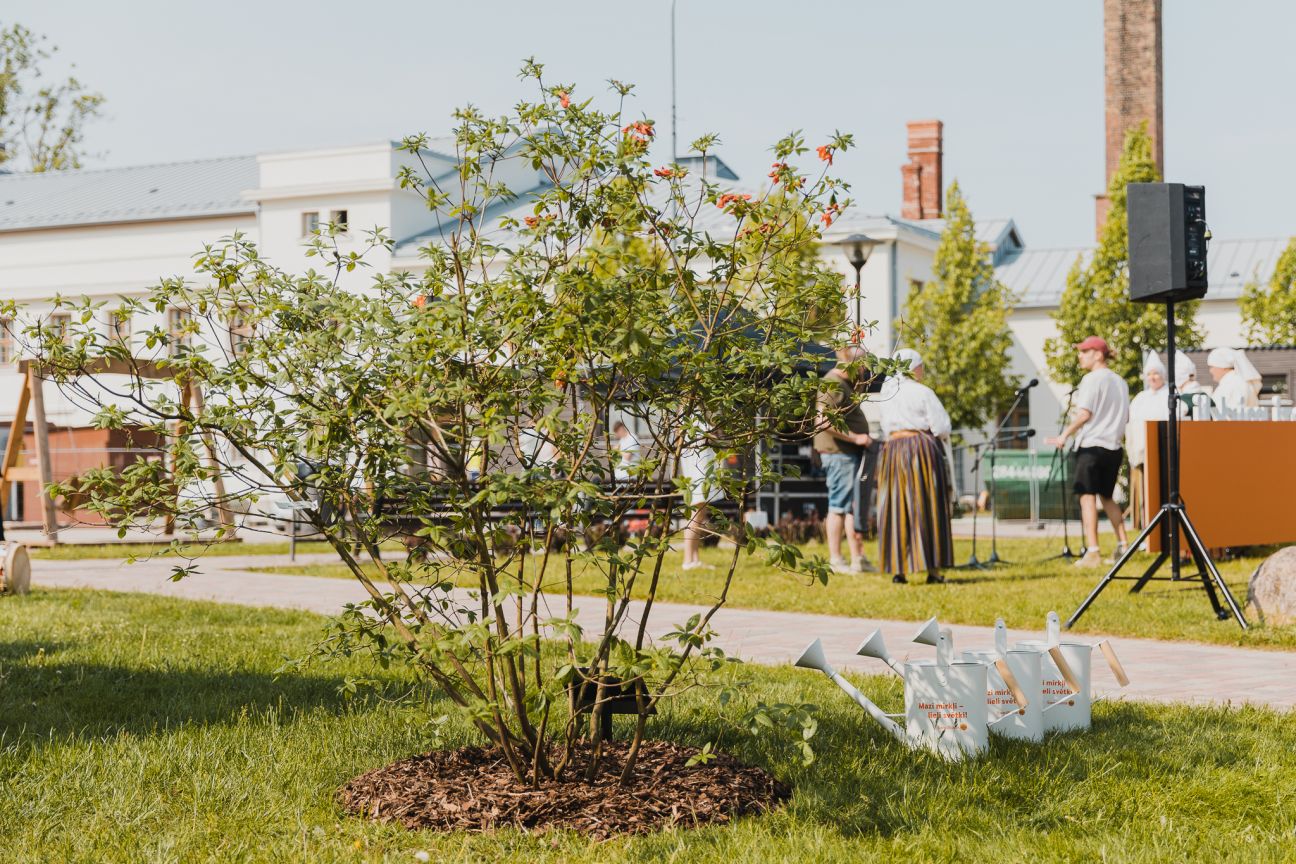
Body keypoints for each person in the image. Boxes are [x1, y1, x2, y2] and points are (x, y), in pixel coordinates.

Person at [1044, 336, 1130, 567]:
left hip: (1092, 446)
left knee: (1087, 497)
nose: (1079, 356)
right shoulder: (1121, 382)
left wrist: (1064, 435)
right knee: (1108, 497)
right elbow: (1126, 417)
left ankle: (1093, 552)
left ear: (1098, 354)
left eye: (1084, 351)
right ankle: (1124, 544)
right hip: (1114, 447)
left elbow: (1084, 414)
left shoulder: (1091, 380)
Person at [875, 348, 953, 584]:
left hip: (893, 450)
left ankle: (899, 571)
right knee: (927, 505)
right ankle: (933, 570)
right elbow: (941, 427)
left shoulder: (886, 393)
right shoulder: (922, 392)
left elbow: (883, 425)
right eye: (921, 366)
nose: (923, 370)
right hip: (920, 448)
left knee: (896, 507)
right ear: (913, 367)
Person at [812, 345, 878, 575]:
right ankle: (836, 559)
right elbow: (821, 421)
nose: (863, 372)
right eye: (862, 367)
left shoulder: (845, 384)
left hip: (848, 454)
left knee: (852, 507)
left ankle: (858, 558)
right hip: (839, 454)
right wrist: (857, 437)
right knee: (838, 506)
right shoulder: (832, 383)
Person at [1125, 350, 1169, 533]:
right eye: (1149, 374)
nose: (1153, 377)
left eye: (1156, 373)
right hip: (1142, 455)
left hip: (1162, 453)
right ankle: (1146, 529)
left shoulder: (1169, 396)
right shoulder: (1140, 399)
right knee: (1144, 494)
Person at [678, 439, 720, 571]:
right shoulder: (692, 422)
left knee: (699, 515)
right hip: (698, 473)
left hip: (700, 472)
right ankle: (688, 560)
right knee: (696, 516)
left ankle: (694, 559)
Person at [1207, 347, 1263, 412]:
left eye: (1212, 367)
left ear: (1223, 366)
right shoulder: (1233, 382)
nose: (1210, 371)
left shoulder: (1234, 384)